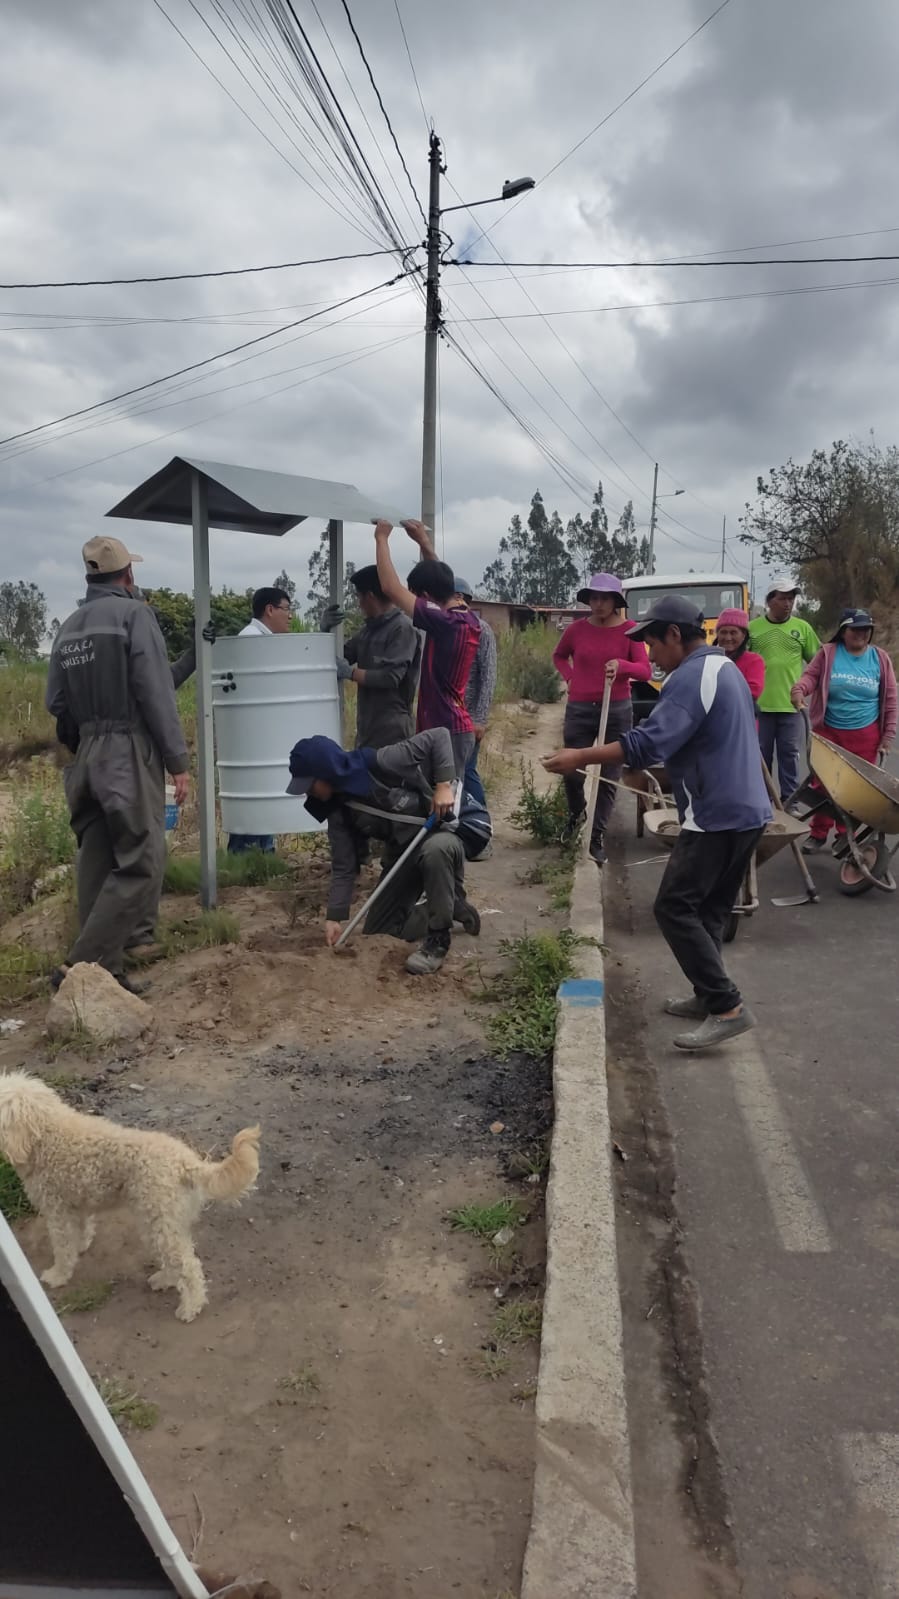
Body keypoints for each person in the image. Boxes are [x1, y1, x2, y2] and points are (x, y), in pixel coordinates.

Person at [543, 596, 771, 1051]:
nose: (649, 655)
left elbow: (650, 744)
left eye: (651, 643)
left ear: (673, 635)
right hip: (746, 811)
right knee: (708, 910)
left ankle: (727, 1007)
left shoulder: (691, 677)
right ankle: (709, 996)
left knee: (673, 906)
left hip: (717, 814)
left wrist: (581, 756)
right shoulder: (723, 668)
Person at [45, 536, 190, 992]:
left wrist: (85, 744)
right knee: (143, 859)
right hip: (127, 751)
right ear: (128, 575)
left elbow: (56, 702)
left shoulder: (68, 627)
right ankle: (81, 966)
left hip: (85, 753)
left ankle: (105, 975)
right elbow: (155, 691)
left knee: (98, 860)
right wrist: (177, 761)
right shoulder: (135, 615)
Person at [285, 728, 480, 976]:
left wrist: (443, 785)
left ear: (326, 771)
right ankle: (447, 906)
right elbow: (344, 867)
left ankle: (437, 942)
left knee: (435, 850)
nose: (306, 792)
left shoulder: (383, 760)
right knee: (379, 931)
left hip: (440, 836)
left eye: (309, 785)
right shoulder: (337, 812)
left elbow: (440, 736)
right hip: (403, 855)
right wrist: (334, 917)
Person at [551, 573, 651, 864]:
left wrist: (622, 666)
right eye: (594, 598)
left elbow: (644, 670)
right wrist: (570, 678)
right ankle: (577, 812)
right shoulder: (576, 630)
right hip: (580, 708)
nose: (598, 604)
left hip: (617, 708)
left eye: (604, 598)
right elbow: (559, 656)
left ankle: (595, 836)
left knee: (609, 776)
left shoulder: (631, 630)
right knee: (572, 770)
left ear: (615, 601)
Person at [374, 519, 480, 779]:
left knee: (445, 806)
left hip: (446, 731)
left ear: (425, 596)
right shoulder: (465, 616)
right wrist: (424, 544)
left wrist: (381, 538)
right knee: (449, 800)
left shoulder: (446, 623)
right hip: (452, 728)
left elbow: (390, 588)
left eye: (417, 596)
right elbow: (443, 583)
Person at [792, 607, 897, 852]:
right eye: (855, 629)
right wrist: (799, 690)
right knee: (825, 786)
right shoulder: (828, 653)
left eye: (865, 630)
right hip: (829, 734)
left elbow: (891, 699)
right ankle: (818, 834)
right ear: (843, 631)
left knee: (855, 793)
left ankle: (844, 836)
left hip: (866, 737)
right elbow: (810, 677)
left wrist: (888, 736)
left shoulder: (880, 658)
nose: (860, 634)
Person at [320, 566, 421, 749]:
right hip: (368, 731)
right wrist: (324, 632)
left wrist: (350, 673)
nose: (359, 603)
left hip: (393, 732)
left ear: (370, 596)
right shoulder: (368, 631)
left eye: (359, 596)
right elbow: (338, 658)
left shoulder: (402, 629)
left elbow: (391, 677)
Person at [227, 586, 293, 855]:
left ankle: (259, 856)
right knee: (254, 800)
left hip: (259, 736)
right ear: (270, 610)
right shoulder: (251, 640)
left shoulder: (262, 640)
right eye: (286, 609)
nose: (289, 616)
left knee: (261, 797)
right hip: (251, 738)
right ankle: (249, 858)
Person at [748, 578, 820, 802]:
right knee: (761, 756)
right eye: (782, 598)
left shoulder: (802, 628)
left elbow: (817, 664)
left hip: (791, 707)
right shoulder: (753, 629)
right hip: (760, 706)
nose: (788, 603)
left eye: (791, 598)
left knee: (790, 755)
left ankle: (790, 801)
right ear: (770, 601)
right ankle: (763, 800)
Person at [451, 578, 497, 810]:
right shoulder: (446, 628)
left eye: (460, 598)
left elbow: (488, 676)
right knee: (451, 772)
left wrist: (480, 719)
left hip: (469, 718)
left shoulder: (481, 630)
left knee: (466, 770)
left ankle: (480, 822)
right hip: (448, 715)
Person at [714, 608, 765, 713]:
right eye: (723, 632)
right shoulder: (709, 659)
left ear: (743, 636)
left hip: (741, 722)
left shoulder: (754, 661)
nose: (728, 638)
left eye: (733, 633)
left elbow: (752, 692)